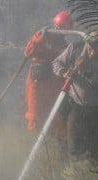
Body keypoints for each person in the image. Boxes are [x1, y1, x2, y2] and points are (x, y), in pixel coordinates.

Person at [52, 31, 98, 162]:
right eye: (91, 48)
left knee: (95, 148)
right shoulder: (75, 48)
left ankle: (92, 172)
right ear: (87, 44)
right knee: (74, 145)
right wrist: (64, 72)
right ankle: (74, 173)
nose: (93, 53)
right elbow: (57, 63)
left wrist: (87, 71)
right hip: (76, 105)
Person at [23, 10, 73, 139]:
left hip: (54, 86)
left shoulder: (65, 46)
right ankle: (32, 143)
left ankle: (53, 146)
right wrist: (39, 37)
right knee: (35, 115)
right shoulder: (43, 37)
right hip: (37, 85)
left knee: (55, 116)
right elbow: (28, 52)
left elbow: (65, 66)